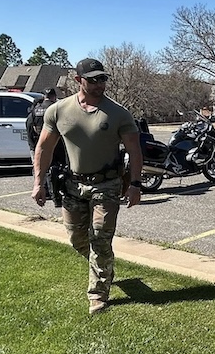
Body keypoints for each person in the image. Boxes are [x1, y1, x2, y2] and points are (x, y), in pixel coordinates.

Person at [31, 58, 144, 315]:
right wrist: (39, 182)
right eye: (92, 80)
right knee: (77, 238)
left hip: (107, 184)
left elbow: (135, 151)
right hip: (72, 184)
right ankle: (105, 267)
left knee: (100, 238)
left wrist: (135, 184)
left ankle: (98, 295)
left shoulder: (118, 113)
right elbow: (44, 148)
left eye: (102, 79)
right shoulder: (58, 110)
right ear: (78, 80)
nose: (99, 84)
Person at [26, 88, 67, 207]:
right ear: (54, 96)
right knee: (58, 168)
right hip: (58, 144)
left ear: (44, 96)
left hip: (41, 142)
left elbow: (29, 126)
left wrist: (33, 145)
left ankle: (45, 190)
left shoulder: (36, 110)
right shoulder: (57, 109)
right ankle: (56, 194)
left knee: (42, 168)